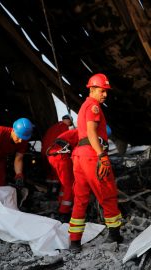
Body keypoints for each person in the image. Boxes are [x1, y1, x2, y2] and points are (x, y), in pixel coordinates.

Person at [68, 73, 123, 252]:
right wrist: (102, 155)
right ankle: (115, 233)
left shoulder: (84, 106)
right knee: (107, 193)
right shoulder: (93, 106)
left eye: (106, 91)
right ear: (92, 89)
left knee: (81, 199)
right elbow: (92, 133)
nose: (105, 94)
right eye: (102, 90)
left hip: (79, 156)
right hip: (92, 155)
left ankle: (74, 242)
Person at [46, 128, 78, 222]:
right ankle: (64, 212)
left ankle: (61, 202)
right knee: (70, 185)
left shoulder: (76, 131)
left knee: (64, 183)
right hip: (61, 157)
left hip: (54, 156)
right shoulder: (85, 132)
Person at [41, 114, 73, 197]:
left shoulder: (52, 127)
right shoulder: (63, 127)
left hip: (45, 153)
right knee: (58, 176)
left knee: (50, 174)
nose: (69, 124)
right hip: (56, 154)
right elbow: (67, 140)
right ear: (68, 120)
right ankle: (56, 193)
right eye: (70, 122)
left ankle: (49, 191)